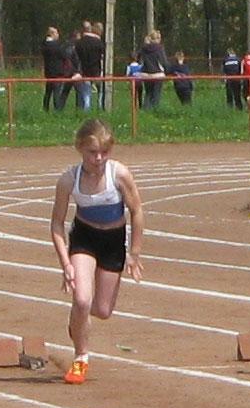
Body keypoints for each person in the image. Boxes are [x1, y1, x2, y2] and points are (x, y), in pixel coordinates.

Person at [50, 119, 144, 385]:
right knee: (82, 299)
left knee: (102, 310)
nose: (99, 158)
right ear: (80, 148)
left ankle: (77, 321)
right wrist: (66, 263)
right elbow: (57, 223)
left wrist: (134, 253)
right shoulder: (69, 180)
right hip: (85, 238)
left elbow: (137, 210)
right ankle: (81, 358)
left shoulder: (119, 174)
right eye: (92, 152)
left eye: (104, 152)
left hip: (113, 241)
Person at [139, 29, 168, 109]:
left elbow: (138, 57)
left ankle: (146, 110)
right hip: (157, 74)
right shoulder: (159, 48)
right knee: (156, 94)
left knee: (148, 93)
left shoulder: (144, 48)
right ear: (157, 39)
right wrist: (167, 71)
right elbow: (164, 61)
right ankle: (155, 111)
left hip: (145, 74)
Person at [41, 26, 66, 112]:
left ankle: (45, 109)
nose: (58, 35)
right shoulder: (57, 46)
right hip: (57, 72)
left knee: (48, 92)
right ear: (52, 34)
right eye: (56, 33)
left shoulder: (44, 45)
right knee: (56, 93)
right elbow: (64, 56)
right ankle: (57, 110)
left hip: (48, 71)